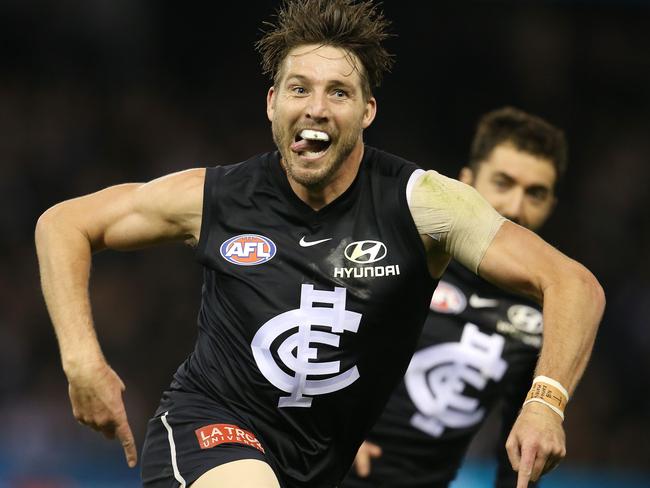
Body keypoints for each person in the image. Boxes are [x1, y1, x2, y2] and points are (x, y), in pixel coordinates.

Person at [34, 1, 604, 487]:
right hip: (207, 429)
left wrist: (545, 404)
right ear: (272, 104)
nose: (316, 108)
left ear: (367, 111)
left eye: (339, 92)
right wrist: (82, 360)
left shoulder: (422, 204)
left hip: (317, 467)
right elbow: (64, 224)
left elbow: (573, 283)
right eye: (299, 88)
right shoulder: (216, 196)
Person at [342, 107, 569, 488]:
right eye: (503, 183)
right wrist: (329, 428)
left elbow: (519, 447)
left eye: (536, 193)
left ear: (551, 205)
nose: (515, 208)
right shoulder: (402, 252)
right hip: (326, 471)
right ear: (465, 182)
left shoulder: (548, 308)